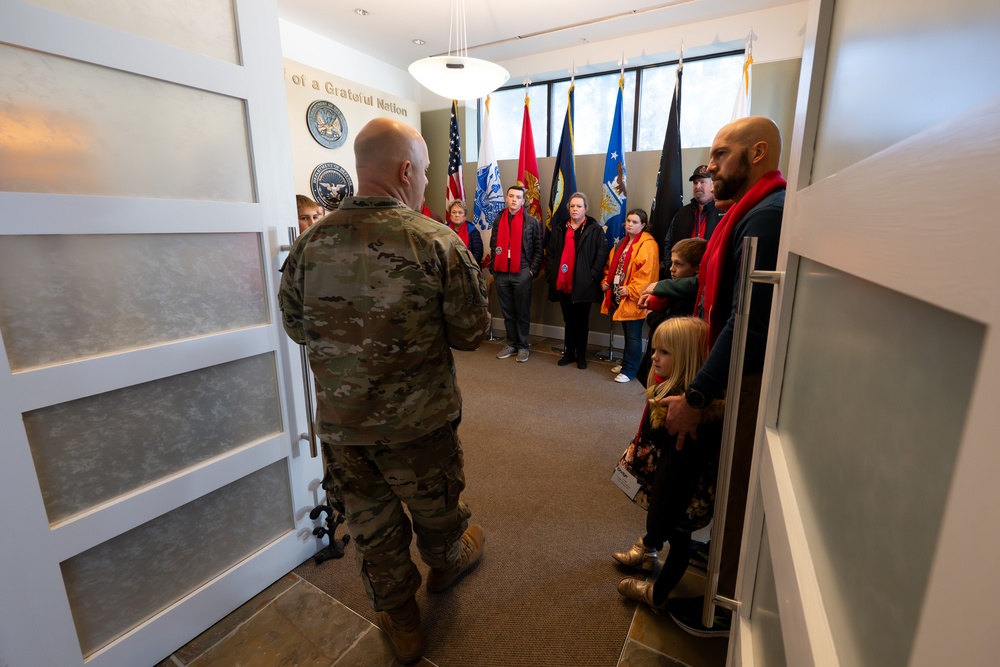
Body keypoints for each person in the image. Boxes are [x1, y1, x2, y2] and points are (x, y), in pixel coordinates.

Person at [278, 117, 490, 665]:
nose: (427, 180)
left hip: (344, 425)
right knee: (437, 506)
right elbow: (471, 334)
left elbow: (296, 328)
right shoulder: (436, 242)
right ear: (405, 170)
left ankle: (403, 622)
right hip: (421, 424)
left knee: (372, 525)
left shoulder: (308, 244)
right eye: (424, 170)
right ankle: (445, 564)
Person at [660, 116, 786, 637]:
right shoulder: (746, 211)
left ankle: (722, 607)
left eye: (720, 155)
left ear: (757, 153)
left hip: (749, 379)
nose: (709, 167)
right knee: (730, 480)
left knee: (738, 491)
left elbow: (746, 322)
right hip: (735, 372)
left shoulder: (764, 217)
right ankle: (718, 560)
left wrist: (696, 396)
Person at [613, 317, 725, 610]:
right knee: (667, 528)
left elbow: (675, 477)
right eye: (655, 349)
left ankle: (657, 594)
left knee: (679, 542)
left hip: (679, 497)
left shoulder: (683, 419)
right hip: (668, 486)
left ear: (686, 358)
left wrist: (657, 523)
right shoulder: (670, 391)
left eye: (664, 352)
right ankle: (649, 546)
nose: (654, 357)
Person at [545, 192, 609, 369]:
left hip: (584, 284)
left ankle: (581, 355)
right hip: (563, 282)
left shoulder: (594, 229)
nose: (575, 209)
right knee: (568, 320)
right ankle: (569, 354)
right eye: (572, 206)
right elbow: (550, 253)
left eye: (579, 206)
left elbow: (601, 253)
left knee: (581, 322)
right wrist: (551, 273)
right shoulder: (560, 228)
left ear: (585, 208)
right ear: (568, 208)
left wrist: (592, 275)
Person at [635, 237, 708, 380]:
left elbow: (671, 329)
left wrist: (651, 315)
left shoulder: (690, 299)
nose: (671, 268)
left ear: (698, 268)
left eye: (678, 264)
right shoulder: (672, 291)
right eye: (672, 262)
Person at [600, 208, 658, 383]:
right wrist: (606, 281)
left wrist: (631, 289)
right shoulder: (622, 243)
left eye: (635, 222)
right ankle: (627, 363)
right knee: (627, 333)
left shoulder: (648, 244)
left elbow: (647, 274)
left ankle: (630, 370)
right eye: (628, 221)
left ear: (643, 225)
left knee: (633, 335)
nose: (630, 225)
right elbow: (611, 266)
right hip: (619, 294)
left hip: (634, 297)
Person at [490, 185, 544, 363]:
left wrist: (531, 271)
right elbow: (493, 244)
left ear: (523, 201)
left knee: (522, 312)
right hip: (501, 271)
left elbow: (539, 249)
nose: (514, 200)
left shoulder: (532, 222)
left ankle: (522, 346)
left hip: (522, 271)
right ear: (506, 198)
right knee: (508, 312)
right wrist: (494, 268)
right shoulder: (498, 220)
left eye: (518, 197)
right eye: (511, 196)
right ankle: (511, 344)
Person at [660, 165, 724, 278]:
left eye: (702, 182)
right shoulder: (682, 213)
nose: (697, 186)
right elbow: (668, 242)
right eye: (695, 183)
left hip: (710, 276)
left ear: (713, 185)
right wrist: (670, 266)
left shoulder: (723, 212)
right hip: (682, 278)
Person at [446, 200, 484, 266]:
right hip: (448, 267)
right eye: (454, 212)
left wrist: (466, 265)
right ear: (450, 215)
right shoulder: (444, 230)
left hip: (469, 267)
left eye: (460, 212)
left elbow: (478, 253)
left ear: (465, 216)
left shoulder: (473, 231)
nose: (457, 215)